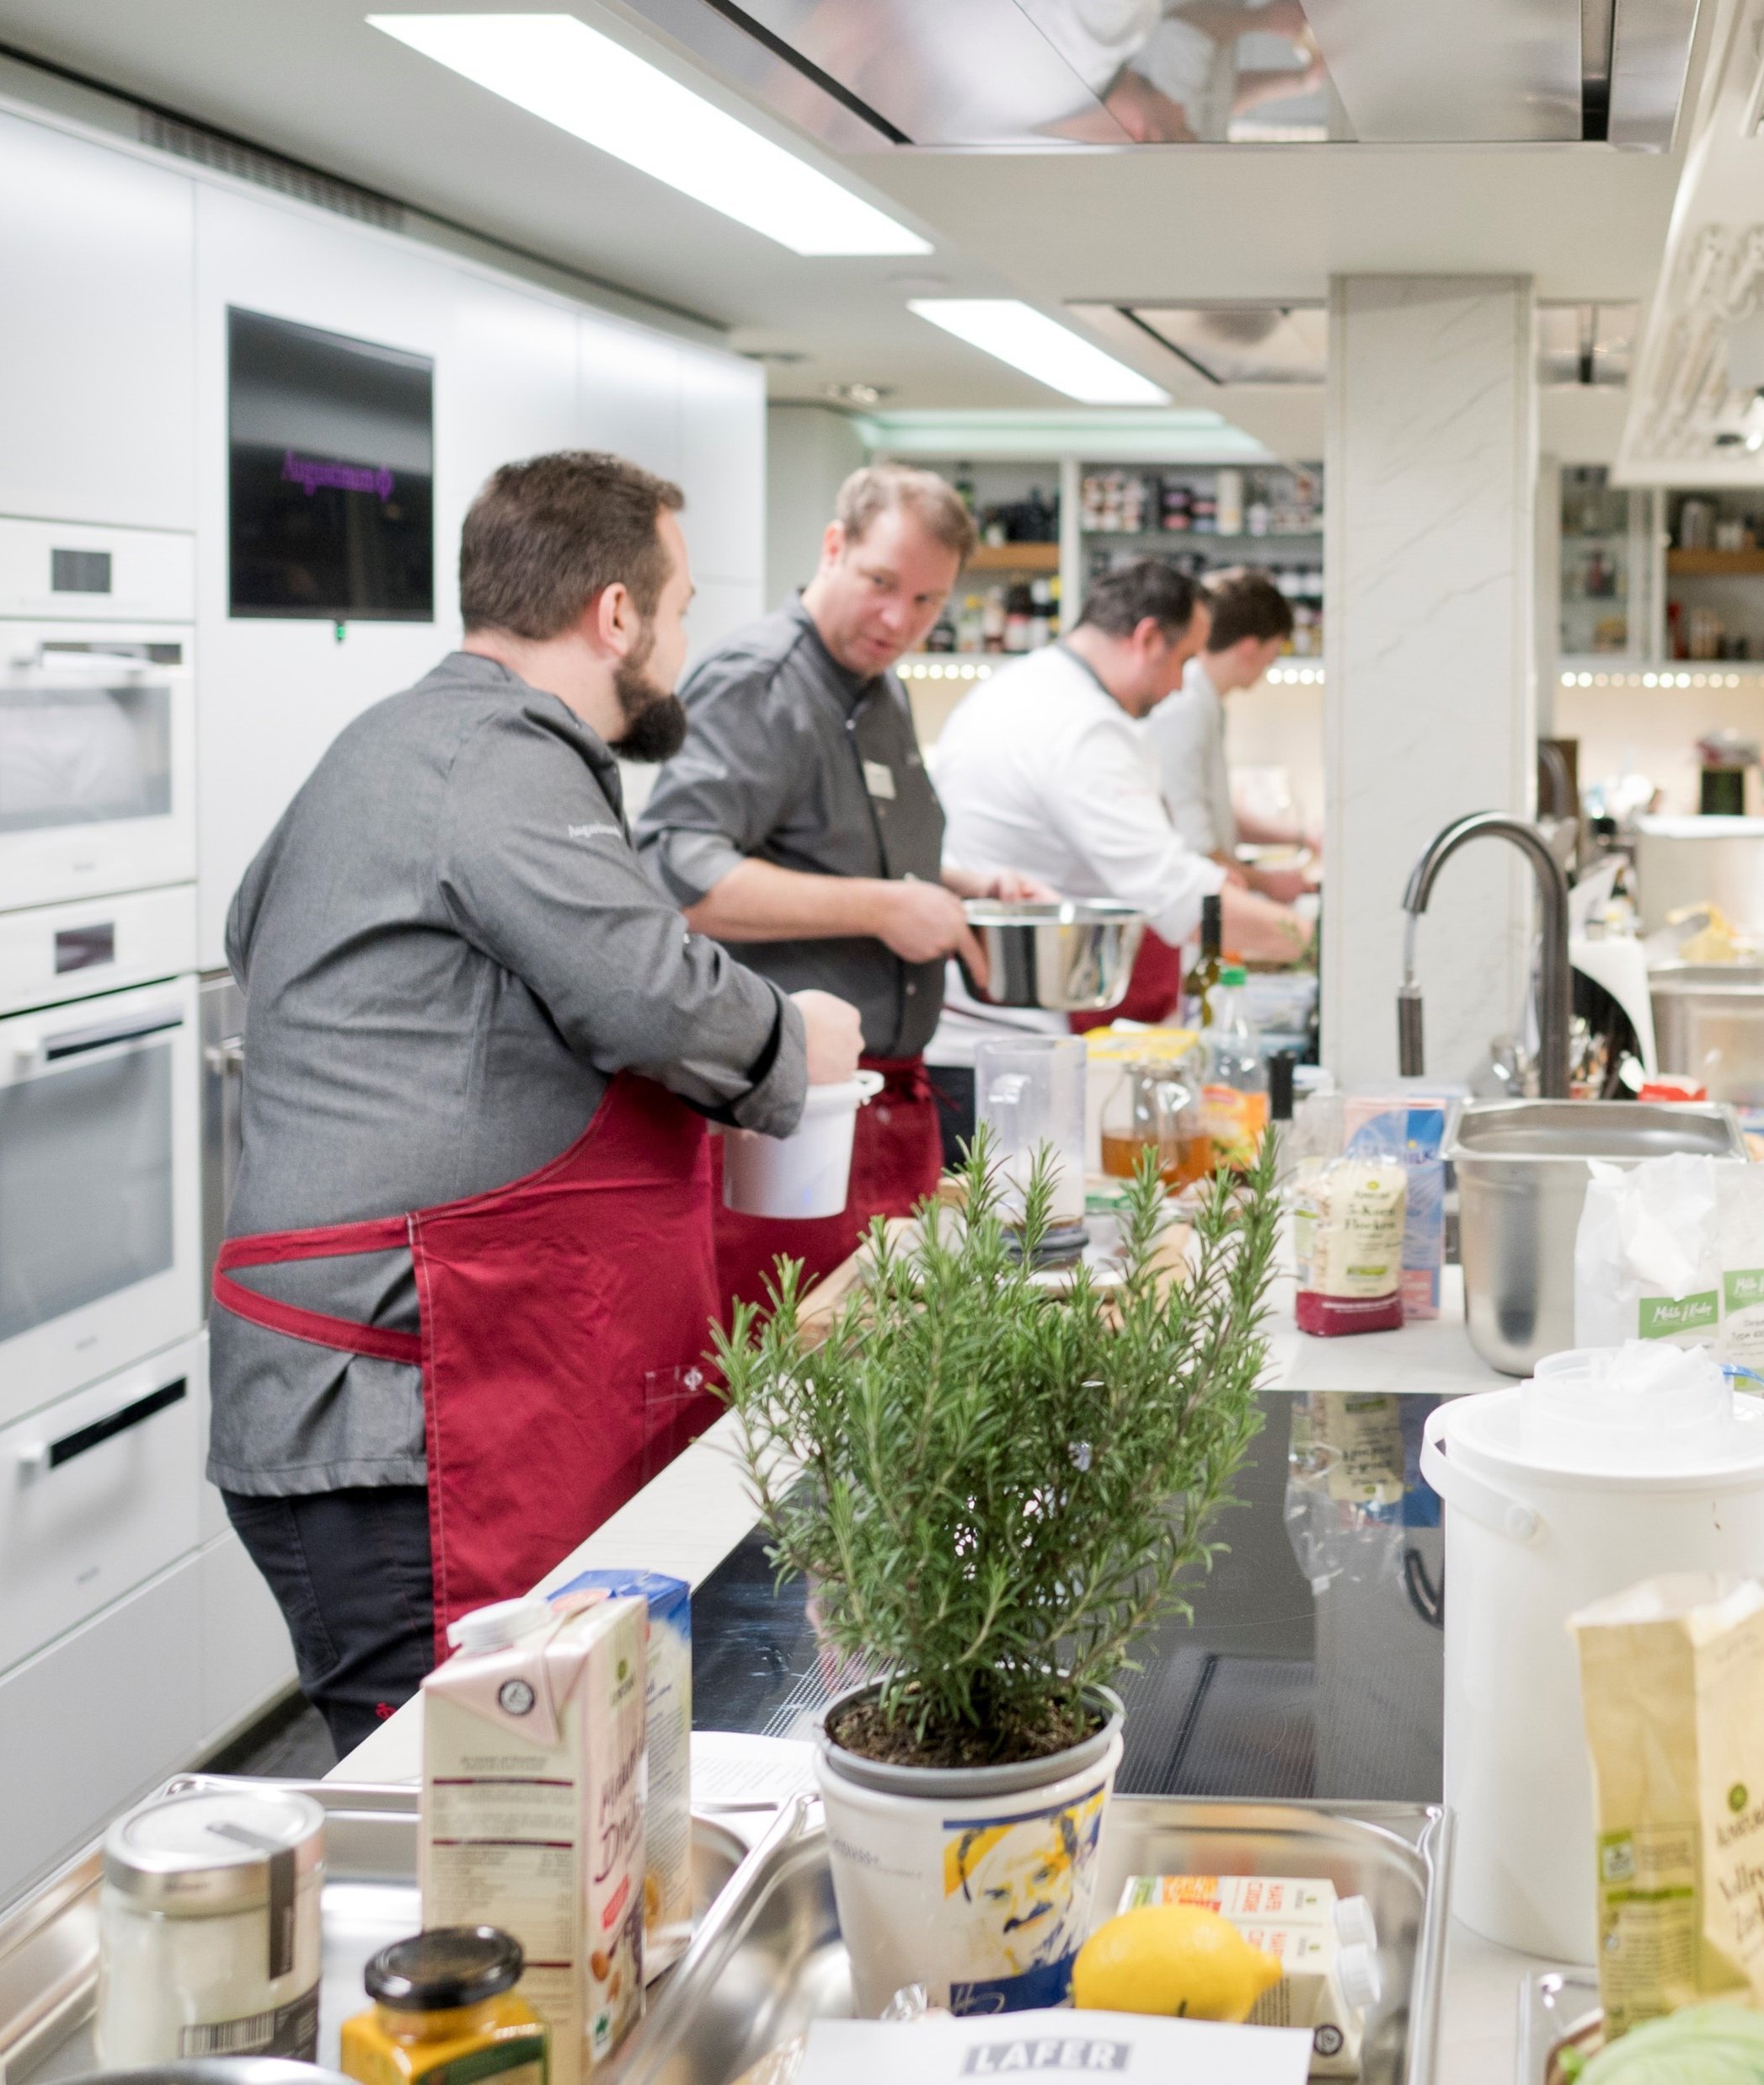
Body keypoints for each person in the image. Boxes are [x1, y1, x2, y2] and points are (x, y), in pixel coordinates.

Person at [210, 452, 863, 1751]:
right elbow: (651, 993)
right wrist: (799, 1037)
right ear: (614, 614)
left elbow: (259, 929)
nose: (678, 648)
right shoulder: (497, 755)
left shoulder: (403, 738)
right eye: (677, 612)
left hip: (384, 1389)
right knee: (470, 1802)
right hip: (398, 1408)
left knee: (512, 1791)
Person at [634, 463, 1040, 1316]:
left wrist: (955, 883)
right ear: (833, 547)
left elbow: (833, 848)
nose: (901, 619)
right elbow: (680, 872)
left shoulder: (879, 687)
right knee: (790, 1378)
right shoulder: (760, 681)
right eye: (882, 583)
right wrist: (886, 907)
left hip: (892, 1110)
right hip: (792, 1123)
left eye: (929, 601)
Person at [929, 561, 1307, 1106]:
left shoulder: (1019, 685)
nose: (1181, 686)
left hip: (971, 1029)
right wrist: (1304, 938)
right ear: (1147, 638)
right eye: (1183, 661)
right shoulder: (1083, 727)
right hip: (1011, 1047)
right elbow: (1178, 896)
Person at [1144, 564, 1314, 901]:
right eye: (1276, 648)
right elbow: (1196, 846)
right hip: (1175, 911)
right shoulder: (1186, 706)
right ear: (1251, 648)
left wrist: (1301, 835)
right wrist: (1269, 883)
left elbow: (1213, 811)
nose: (1273, 661)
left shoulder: (1206, 702)